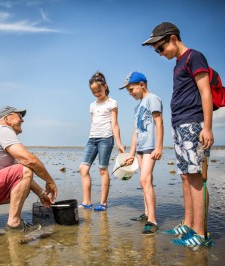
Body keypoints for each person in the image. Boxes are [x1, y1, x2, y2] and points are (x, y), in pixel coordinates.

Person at [142, 22, 214, 246]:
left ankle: (200, 234)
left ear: (173, 39)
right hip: (180, 125)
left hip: (194, 123)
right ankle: (189, 224)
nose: (159, 53)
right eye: (156, 51)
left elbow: (205, 93)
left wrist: (208, 127)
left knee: (195, 178)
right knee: (185, 176)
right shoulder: (177, 64)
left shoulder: (195, 57)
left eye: (160, 48)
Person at [119, 71, 164, 235]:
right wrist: (131, 153)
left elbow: (159, 123)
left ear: (142, 85)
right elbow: (135, 132)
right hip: (140, 147)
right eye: (128, 91)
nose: (130, 94)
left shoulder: (152, 99)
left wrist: (159, 147)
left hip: (151, 146)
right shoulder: (137, 106)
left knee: (145, 179)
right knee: (143, 180)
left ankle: (153, 220)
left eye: (132, 90)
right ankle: (146, 213)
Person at [79, 71, 125, 211]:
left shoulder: (112, 103)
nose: (97, 94)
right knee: (83, 168)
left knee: (102, 170)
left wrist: (118, 143)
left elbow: (114, 124)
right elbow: (93, 123)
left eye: (99, 90)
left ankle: (103, 203)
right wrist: (91, 136)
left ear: (105, 87)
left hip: (106, 139)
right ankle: (86, 202)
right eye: (94, 92)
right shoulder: (92, 105)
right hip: (92, 139)